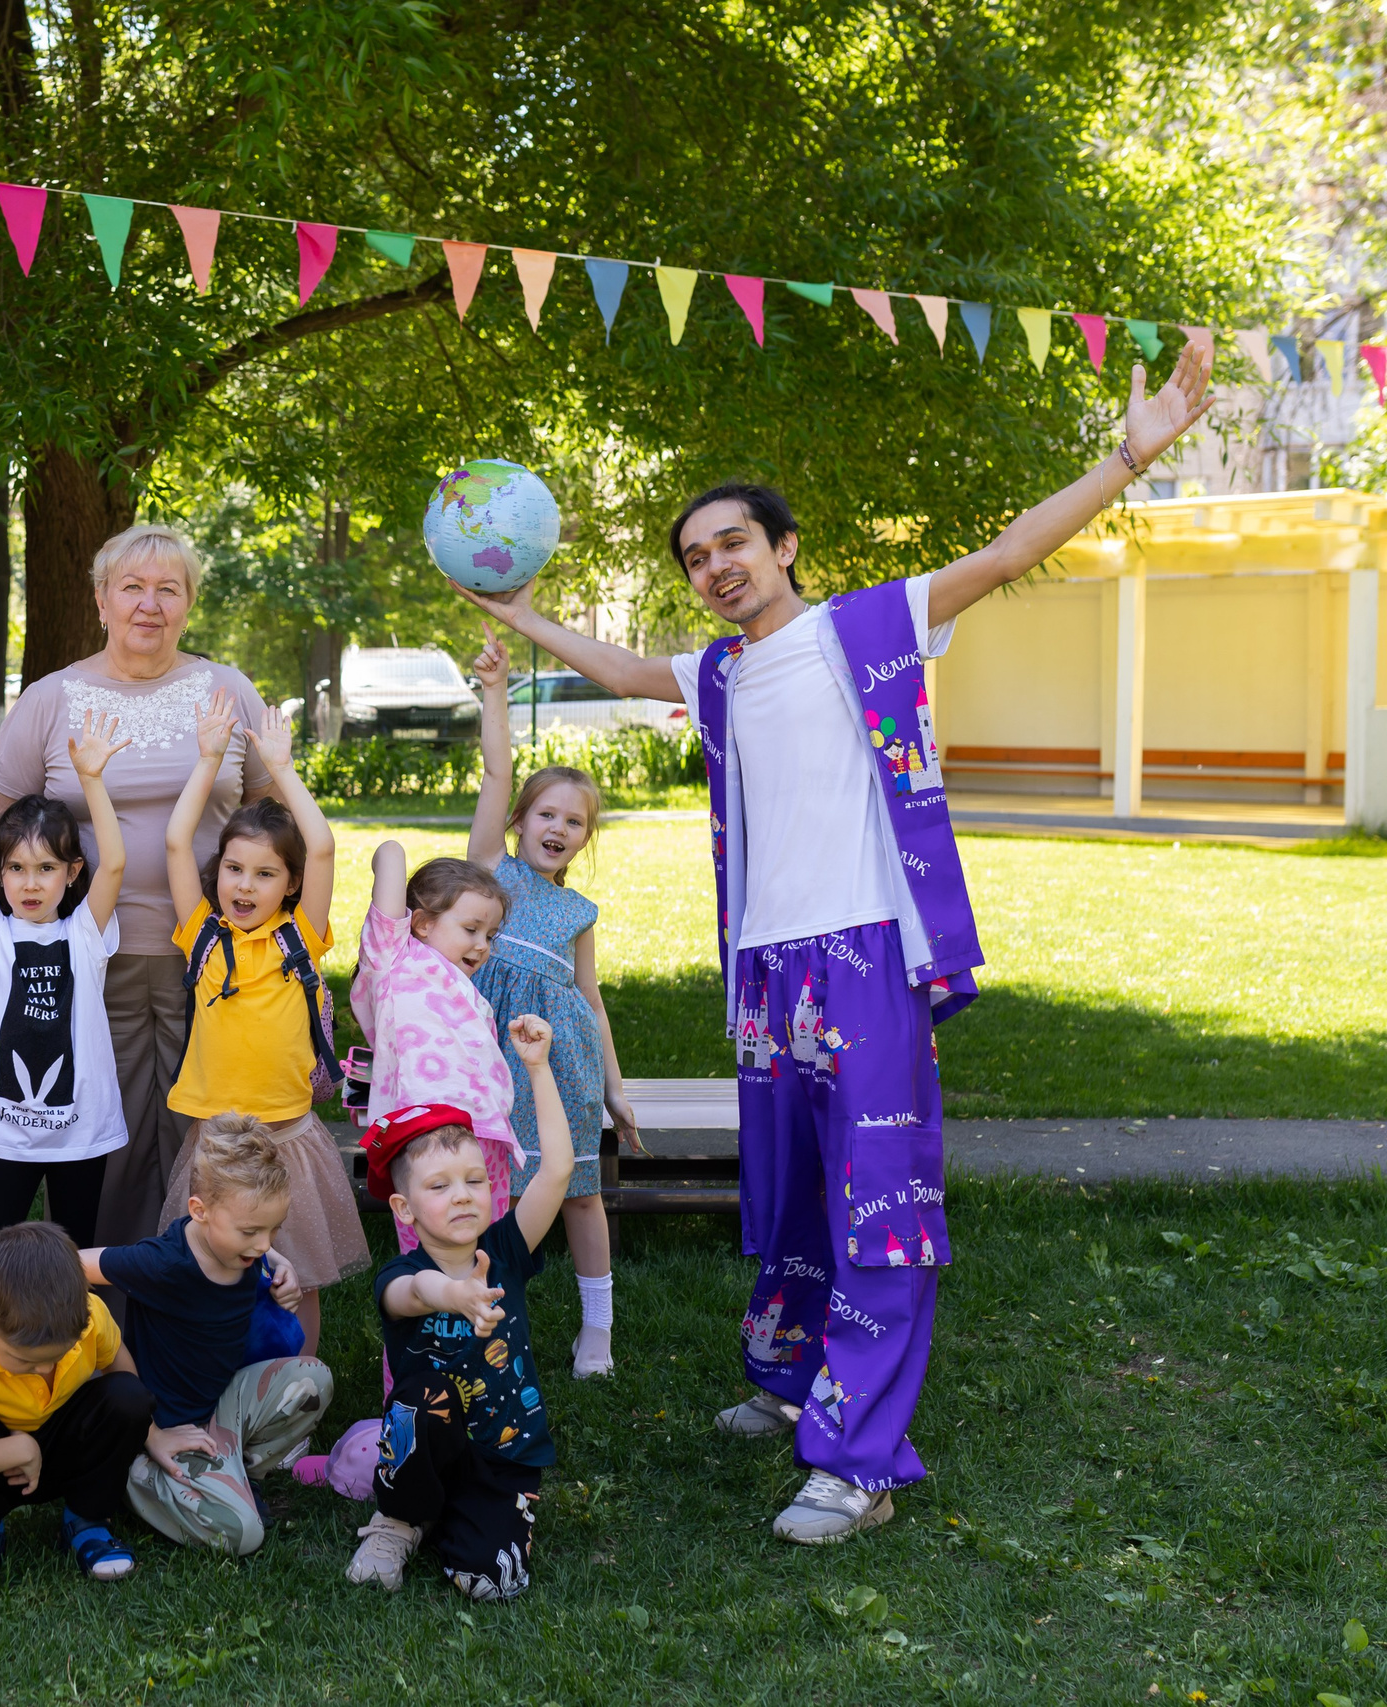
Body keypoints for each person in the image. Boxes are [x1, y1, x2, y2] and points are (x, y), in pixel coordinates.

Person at [452, 342, 1215, 1541]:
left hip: (865, 954)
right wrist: (519, 614)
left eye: (732, 545)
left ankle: (855, 1457)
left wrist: (1131, 452)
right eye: (696, 558)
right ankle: (790, 1375)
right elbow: (614, 663)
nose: (715, 568)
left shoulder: (873, 625)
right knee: (789, 1192)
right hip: (767, 966)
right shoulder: (713, 676)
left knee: (877, 1205)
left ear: (782, 547)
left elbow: (1012, 551)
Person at [0, 525, 278, 1246]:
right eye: (133, 588)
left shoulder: (227, 690)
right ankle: (97, 1299)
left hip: (214, 961)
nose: (150, 604)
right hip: (86, 959)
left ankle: (200, 1285)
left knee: (204, 1131)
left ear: (189, 604)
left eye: (168, 589)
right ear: (101, 601)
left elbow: (270, 819)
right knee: (97, 1137)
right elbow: (1, 830)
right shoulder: (52, 700)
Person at [157, 695, 370, 1350]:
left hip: (286, 1144)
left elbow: (326, 846)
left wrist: (281, 767)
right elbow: (173, 840)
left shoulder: (298, 939)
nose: (244, 885)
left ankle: (294, 1391)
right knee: (210, 1276)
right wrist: (208, 759)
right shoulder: (202, 936)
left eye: (265, 873)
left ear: (292, 884)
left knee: (295, 1282)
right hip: (216, 1147)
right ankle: (218, 1384)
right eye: (233, 868)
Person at [343, 1020, 575, 1601]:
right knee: (419, 1396)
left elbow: (557, 1171)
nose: (464, 1194)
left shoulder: (505, 1249)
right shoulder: (400, 1275)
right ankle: (398, 1518)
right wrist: (457, 1295)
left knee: (490, 1583)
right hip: (428, 1439)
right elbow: (416, 1293)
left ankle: (451, 1518)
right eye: (440, 1186)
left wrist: (539, 1069)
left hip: (503, 1453)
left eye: (474, 1179)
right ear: (404, 1207)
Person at [464, 629, 638, 1379]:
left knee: (578, 1191)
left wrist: (615, 1088)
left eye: (575, 821)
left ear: (584, 838)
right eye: (546, 814)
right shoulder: (488, 876)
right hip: (491, 1056)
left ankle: (596, 1328)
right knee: (494, 1186)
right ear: (518, 822)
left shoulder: (580, 914)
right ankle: (486, 1306)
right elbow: (497, 769)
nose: (558, 827)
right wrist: (497, 692)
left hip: (560, 1062)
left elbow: (591, 1003)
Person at [0, 697, 132, 1292]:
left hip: (81, 1131)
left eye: (46, 868)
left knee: (77, 1271)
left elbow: (116, 864)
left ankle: (78, 1373)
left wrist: (92, 780)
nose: (30, 882)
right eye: (17, 868)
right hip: (11, 1133)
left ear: (72, 874)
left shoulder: (85, 935)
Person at [84, 1115, 333, 1556]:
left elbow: (260, 1245)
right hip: (163, 1422)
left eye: (274, 1229)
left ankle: (232, 1472)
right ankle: (135, 1477)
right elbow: (66, 1264)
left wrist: (280, 1262)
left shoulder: (240, 1248)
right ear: (199, 1211)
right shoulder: (163, 1264)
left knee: (314, 1380)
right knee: (242, 1536)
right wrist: (148, 1432)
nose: (262, 1243)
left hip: (220, 1407)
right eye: (251, 1232)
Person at [0, 1221, 155, 1594]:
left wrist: (154, 1434)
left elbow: (121, 1368)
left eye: (55, 1357)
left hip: (65, 1448)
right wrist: (19, 1448)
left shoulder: (89, 1315)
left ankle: (87, 1518)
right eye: (24, 1360)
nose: (42, 1370)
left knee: (129, 1397)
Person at [348, 839, 522, 1254]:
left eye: (490, 934)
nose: (483, 945)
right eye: (470, 929)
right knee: (429, 1243)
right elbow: (391, 852)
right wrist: (390, 851)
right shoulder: (394, 960)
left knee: (486, 1244)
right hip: (421, 1135)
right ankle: (427, 1311)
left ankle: (483, 1309)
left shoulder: (468, 991)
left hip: (483, 1132)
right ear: (422, 923)